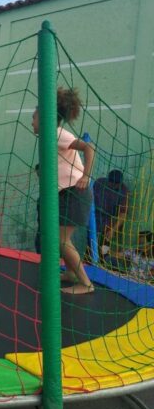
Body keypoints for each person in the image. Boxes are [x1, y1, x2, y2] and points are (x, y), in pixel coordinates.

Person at [32, 87, 95, 295]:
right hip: (67, 193)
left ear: (43, 118)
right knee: (60, 238)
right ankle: (70, 273)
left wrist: (86, 176)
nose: (31, 122)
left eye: (34, 117)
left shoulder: (56, 133)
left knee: (60, 240)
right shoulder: (50, 138)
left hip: (75, 192)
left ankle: (86, 284)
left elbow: (89, 148)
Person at [93, 169, 129, 246]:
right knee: (91, 243)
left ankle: (105, 252)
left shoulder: (123, 190)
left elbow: (123, 214)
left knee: (106, 243)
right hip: (95, 216)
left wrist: (113, 230)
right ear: (108, 180)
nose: (114, 185)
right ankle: (90, 252)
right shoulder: (99, 183)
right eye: (112, 183)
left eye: (117, 184)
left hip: (109, 220)